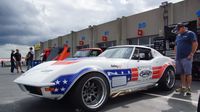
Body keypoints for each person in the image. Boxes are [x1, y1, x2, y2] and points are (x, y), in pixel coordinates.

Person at [174, 23, 198, 95]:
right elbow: (176, 46)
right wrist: (176, 55)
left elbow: (195, 43)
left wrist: (191, 54)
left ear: (182, 28)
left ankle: (189, 89)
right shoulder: (178, 36)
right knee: (182, 73)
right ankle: (183, 88)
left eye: (178, 30)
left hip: (187, 57)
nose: (177, 31)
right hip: (178, 58)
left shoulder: (190, 33)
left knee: (188, 73)